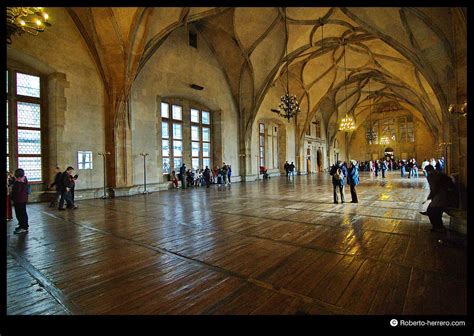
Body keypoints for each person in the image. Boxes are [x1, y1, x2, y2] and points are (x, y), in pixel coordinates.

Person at [420, 165, 458, 232]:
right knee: (433, 211)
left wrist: (430, 196)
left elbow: (434, 188)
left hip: (441, 195)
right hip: (447, 194)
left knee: (434, 212)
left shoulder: (431, 175)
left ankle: (439, 227)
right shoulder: (438, 173)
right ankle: (438, 227)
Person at [11, 168, 29, 234]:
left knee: (21, 214)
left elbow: (17, 192)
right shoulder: (21, 180)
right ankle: (21, 226)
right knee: (19, 214)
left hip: (20, 200)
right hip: (20, 200)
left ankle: (24, 227)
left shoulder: (19, 182)